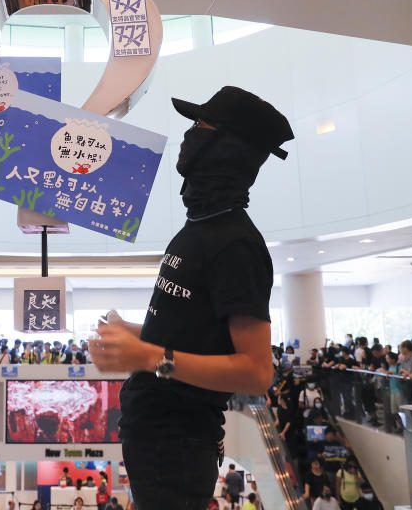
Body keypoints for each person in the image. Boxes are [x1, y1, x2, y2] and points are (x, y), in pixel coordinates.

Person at [91, 87, 293, 510]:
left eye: (200, 126)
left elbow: (257, 372)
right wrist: (131, 334)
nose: (189, 135)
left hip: (178, 445)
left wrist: (148, 357)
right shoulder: (200, 227)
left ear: (229, 148)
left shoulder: (236, 244)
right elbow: (189, 331)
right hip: (157, 439)